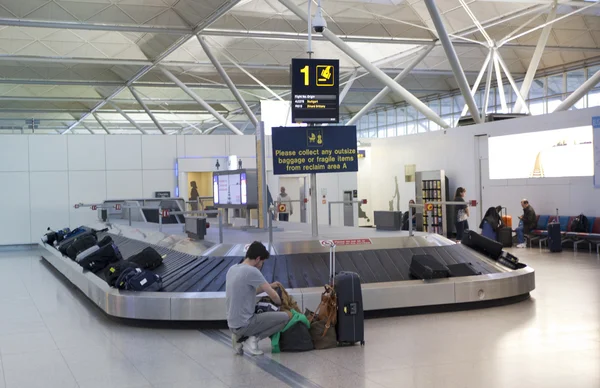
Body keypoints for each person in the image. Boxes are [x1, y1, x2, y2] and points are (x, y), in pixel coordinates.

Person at [226, 241, 289, 356]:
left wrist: (269, 286)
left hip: (232, 324)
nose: (261, 265)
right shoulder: (252, 270)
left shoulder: (233, 269)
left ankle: (239, 338)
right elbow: (274, 296)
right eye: (262, 262)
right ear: (258, 259)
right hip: (245, 323)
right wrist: (281, 303)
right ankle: (253, 339)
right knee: (285, 318)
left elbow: (250, 292)